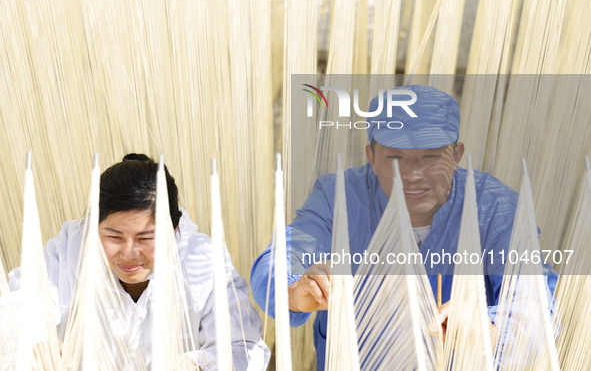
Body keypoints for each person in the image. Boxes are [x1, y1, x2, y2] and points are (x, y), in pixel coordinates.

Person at [250, 85, 558, 370]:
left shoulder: (495, 208)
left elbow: (536, 303)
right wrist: (294, 290)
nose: (413, 174)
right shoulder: (337, 197)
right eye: (396, 157)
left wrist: (487, 328)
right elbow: (278, 260)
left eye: (431, 156)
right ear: (371, 157)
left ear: (457, 155)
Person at [8, 153, 270, 370]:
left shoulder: (202, 262)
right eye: (114, 236)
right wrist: (35, 341)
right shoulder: (70, 250)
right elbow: (19, 304)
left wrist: (200, 364)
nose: (129, 253)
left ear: (174, 231)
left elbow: (242, 347)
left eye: (145, 238)